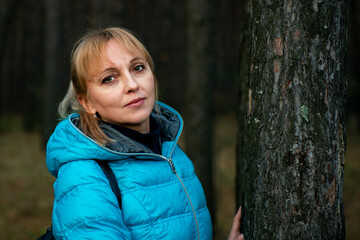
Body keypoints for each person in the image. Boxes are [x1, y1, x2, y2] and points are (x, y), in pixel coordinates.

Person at [46, 27, 243, 240]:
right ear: (87, 102)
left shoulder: (168, 150)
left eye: (138, 68)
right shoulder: (84, 176)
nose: (132, 85)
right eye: (109, 78)